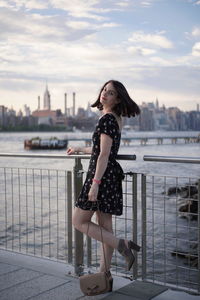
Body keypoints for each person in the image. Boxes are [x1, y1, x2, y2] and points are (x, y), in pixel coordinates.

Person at [67, 79, 141, 291]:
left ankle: (122, 245)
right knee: (105, 227)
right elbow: (100, 149)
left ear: (117, 99)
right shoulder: (115, 119)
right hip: (109, 176)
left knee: (78, 221)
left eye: (110, 93)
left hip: (101, 177)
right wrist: (79, 149)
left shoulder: (107, 119)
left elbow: (105, 154)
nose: (105, 94)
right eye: (104, 90)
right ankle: (104, 276)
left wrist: (95, 184)